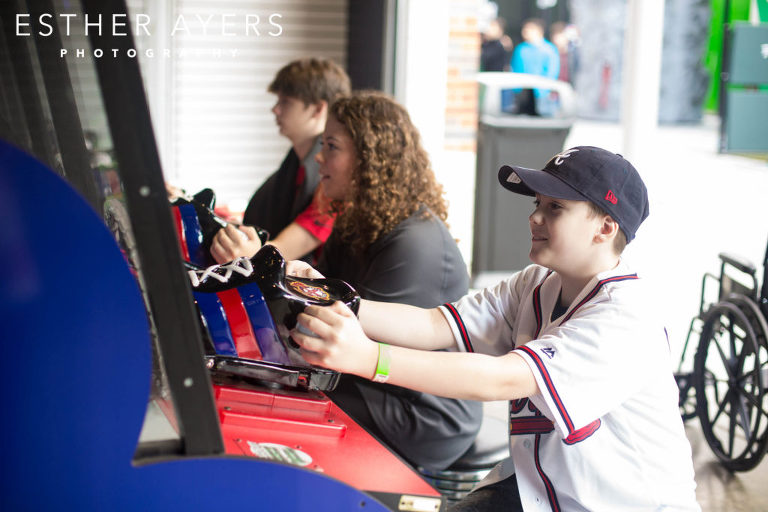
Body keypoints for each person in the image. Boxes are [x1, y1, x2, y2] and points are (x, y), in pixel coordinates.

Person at [290, 146, 700, 511]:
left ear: (605, 228)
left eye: (555, 207)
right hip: (538, 489)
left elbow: (502, 380)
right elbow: (435, 324)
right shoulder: (536, 282)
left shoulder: (627, 316)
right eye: (538, 203)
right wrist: (326, 294)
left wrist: (369, 359)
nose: (534, 216)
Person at [307, 91, 482, 472]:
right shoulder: (356, 222)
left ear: (368, 158)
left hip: (424, 413)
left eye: (331, 146)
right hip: (376, 383)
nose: (319, 157)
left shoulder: (415, 243)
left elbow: (354, 339)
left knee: (295, 405)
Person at [209, 57, 351, 264]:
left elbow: (288, 247)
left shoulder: (334, 177)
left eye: (286, 101)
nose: (275, 109)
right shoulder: (293, 167)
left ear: (318, 109)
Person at [509, 18, 560, 116]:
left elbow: (552, 71)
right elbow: (515, 69)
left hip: (541, 94)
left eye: (528, 30)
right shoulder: (521, 49)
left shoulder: (549, 49)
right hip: (522, 93)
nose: (525, 32)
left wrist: (545, 89)